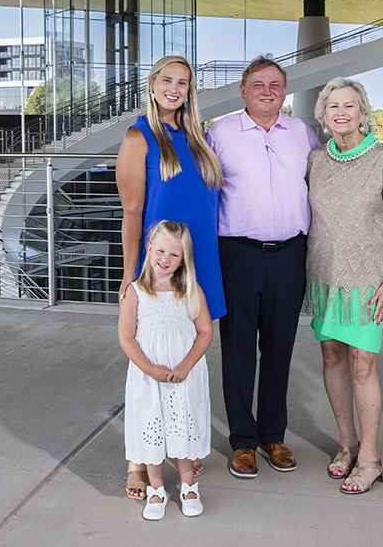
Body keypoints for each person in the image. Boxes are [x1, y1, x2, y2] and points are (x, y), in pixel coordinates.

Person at [205, 56, 319, 478]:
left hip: (290, 254)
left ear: (284, 91)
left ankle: (273, 436)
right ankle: (243, 443)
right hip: (238, 254)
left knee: (279, 348)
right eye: (258, 84)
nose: (267, 91)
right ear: (243, 90)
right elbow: (204, 192)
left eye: (275, 84)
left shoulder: (302, 133)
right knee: (237, 350)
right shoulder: (220, 133)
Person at [117, 55, 224, 499]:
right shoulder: (138, 136)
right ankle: (138, 462)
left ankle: (183, 442)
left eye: (183, 82)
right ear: (153, 84)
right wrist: (129, 275)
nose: (175, 88)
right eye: (167, 80)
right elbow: (132, 211)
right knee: (147, 366)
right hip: (157, 270)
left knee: (189, 361)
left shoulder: (199, 138)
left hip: (199, 266)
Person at [305, 78, 383, 495]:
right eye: (333, 106)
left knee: (362, 363)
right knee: (332, 355)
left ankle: (370, 458)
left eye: (350, 105)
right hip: (324, 278)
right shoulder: (315, 160)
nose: (341, 112)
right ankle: (347, 445)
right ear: (323, 115)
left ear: (364, 113)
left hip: (367, 283)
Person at [119, 221, 213, 520]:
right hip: (149, 376)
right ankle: (157, 488)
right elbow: (126, 337)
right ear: (149, 249)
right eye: (160, 250)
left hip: (183, 375)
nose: (165, 258)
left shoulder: (190, 290)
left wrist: (186, 365)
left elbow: (205, 331)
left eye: (174, 254)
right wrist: (148, 368)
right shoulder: (135, 292)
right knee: (153, 428)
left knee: (181, 426)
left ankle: (188, 485)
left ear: (183, 259)